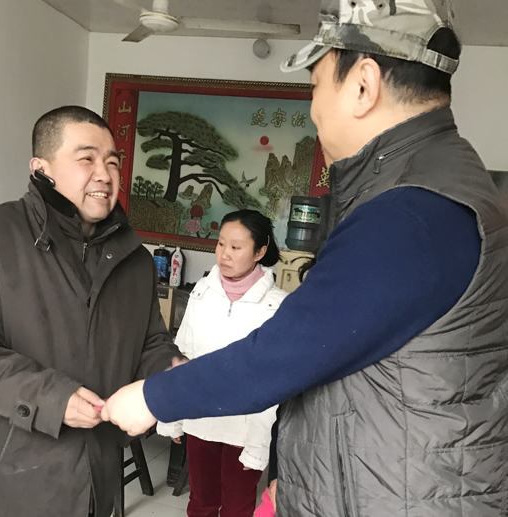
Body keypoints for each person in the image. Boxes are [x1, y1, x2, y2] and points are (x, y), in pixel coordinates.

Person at [101, 1, 508, 515]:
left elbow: (284, 353)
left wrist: (152, 397)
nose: (313, 109)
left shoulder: (411, 213)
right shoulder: (442, 181)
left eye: (316, 86)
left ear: (363, 85)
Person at [0, 106, 181, 517]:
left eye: (112, 162)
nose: (104, 174)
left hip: (98, 470)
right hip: (13, 476)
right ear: (41, 169)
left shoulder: (135, 258)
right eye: (86, 159)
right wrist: (52, 399)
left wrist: (169, 374)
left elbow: (150, 340)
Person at [158, 210, 287, 517]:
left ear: (260, 252)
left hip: (245, 428)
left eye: (236, 247)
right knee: (201, 503)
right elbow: (183, 354)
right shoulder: (203, 292)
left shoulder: (278, 306)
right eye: (221, 244)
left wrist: (259, 444)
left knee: (236, 508)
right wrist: (171, 416)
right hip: (201, 418)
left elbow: (274, 381)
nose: (225, 254)